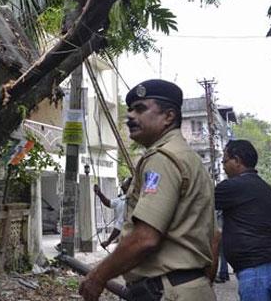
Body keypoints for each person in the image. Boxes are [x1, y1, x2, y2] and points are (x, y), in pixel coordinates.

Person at [78, 79, 215, 301]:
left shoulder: (162, 159)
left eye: (141, 109)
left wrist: (98, 276)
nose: (130, 116)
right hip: (188, 287)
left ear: (168, 116)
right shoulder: (189, 158)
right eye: (130, 109)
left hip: (167, 291)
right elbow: (213, 238)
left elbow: (145, 238)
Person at [214, 140, 271, 300]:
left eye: (224, 160)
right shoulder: (265, 188)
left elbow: (195, 201)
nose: (222, 165)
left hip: (258, 271)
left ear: (237, 160)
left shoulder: (232, 187)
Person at [93, 177, 132, 249]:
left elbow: (120, 224)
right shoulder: (122, 199)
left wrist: (108, 241)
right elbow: (109, 203)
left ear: (130, 186)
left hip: (129, 238)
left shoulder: (127, 202)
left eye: (125, 182)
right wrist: (99, 193)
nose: (122, 185)